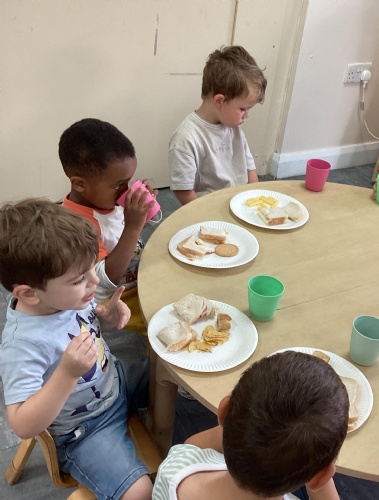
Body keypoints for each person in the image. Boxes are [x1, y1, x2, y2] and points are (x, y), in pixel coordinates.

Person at [0, 198, 152, 499]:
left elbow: (91, 326)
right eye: (80, 279)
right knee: (139, 492)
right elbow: (22, 424)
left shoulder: (64, 296)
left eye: (91, 269)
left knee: (175, 367)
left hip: (117, 381)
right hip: (86, 428)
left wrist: (107, 318)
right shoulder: (23, 345)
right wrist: (67, 374)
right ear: (29, 294)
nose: (95, 281)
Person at [153, 351, 349, 500]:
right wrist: (319, 470)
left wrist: (242, 419)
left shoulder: (173, 473)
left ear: (223, 412)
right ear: (320, 478)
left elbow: (191, 447)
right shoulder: (318, 478)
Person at [59, 118, 158, 335]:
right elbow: (106, 279)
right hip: (116, 301)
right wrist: (133, 227)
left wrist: (144, 211)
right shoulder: (78, 228)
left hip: (138, 278)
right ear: (80, 184)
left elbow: (117, 229)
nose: (126, 190)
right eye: (119, 184)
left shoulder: (105, 200)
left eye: (128, 181)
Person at [169, 45, 267, 205]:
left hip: (241, 204)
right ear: (219, 101)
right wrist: (205, 214)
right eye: (243, 109)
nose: (247, 115)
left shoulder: (233, 127)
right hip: (210, 208)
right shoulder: (186, 138)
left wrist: (255, 202)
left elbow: (250, 168)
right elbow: (183, 190)